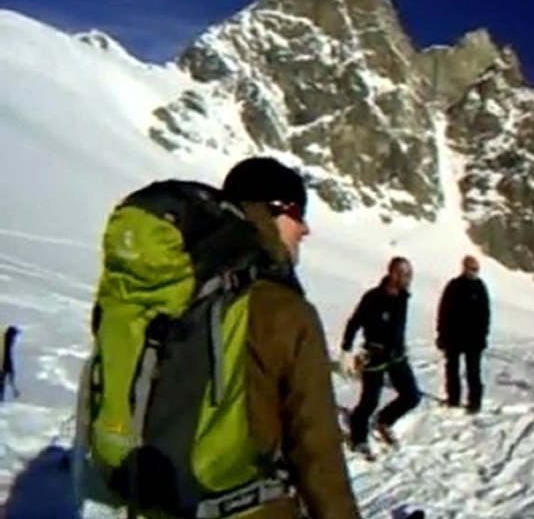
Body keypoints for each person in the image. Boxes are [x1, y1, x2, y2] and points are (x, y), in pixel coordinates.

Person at [77, 157, 361, 519]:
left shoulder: (157, 293)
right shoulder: (282, 309)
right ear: (270, 213)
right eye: (297, 212)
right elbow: (318, 451)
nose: (304, 230)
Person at [339, 257, 421, 455]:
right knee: (369, 401)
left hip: (397, 356)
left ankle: (384, 420)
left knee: (411, 396)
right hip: (374, 356)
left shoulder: (403, 297)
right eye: (404, 274)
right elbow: (354, 322)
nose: (408, 279)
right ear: (393, 274)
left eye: (409, 274)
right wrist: (346, 350)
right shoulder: (373, 298)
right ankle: (358, 436)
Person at [436, 255, 491, 413]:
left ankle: (475, 402)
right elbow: (444, 311)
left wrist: (483, 335)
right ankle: (453, 398)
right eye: (471, 268)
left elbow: (485, 315)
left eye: (476, 269)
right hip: (453, 337)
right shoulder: (454, 286)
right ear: (464, 268)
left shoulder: (480, 287)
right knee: (452, 369)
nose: (474, 272)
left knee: (473, 371)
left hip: (474, 339)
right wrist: (441, 334)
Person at [0, 325, 20, 401]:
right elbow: (7, 357)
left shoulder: (6, 342)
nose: (15, 340)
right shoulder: (6, 343)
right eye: (14, 337)